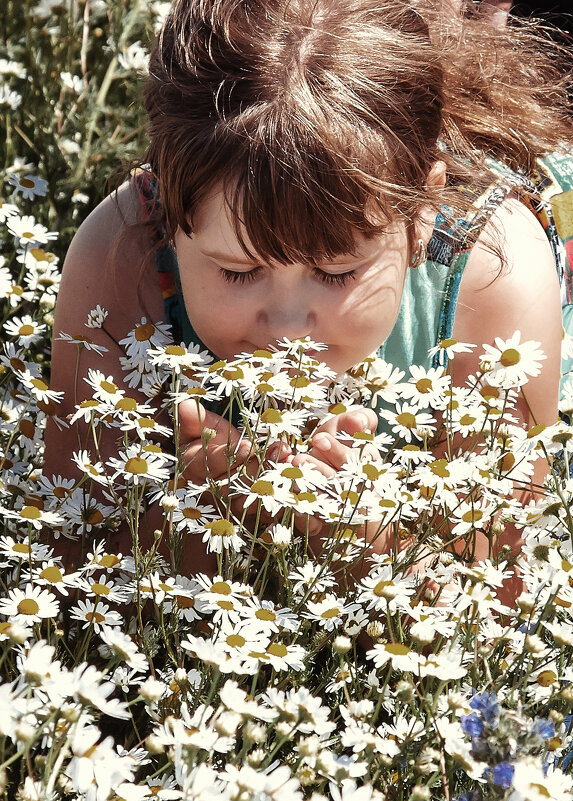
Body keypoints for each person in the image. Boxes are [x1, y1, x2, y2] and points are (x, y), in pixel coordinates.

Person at [45, 0, 573, 574]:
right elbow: (72, 540)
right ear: (169, 216)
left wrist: (365, 542)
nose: (291, 325)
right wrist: (189, 526)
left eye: (337, 273)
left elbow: (501, 589)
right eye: (238, 272)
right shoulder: (121, 251)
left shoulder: (492, 278)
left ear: (419, 217)